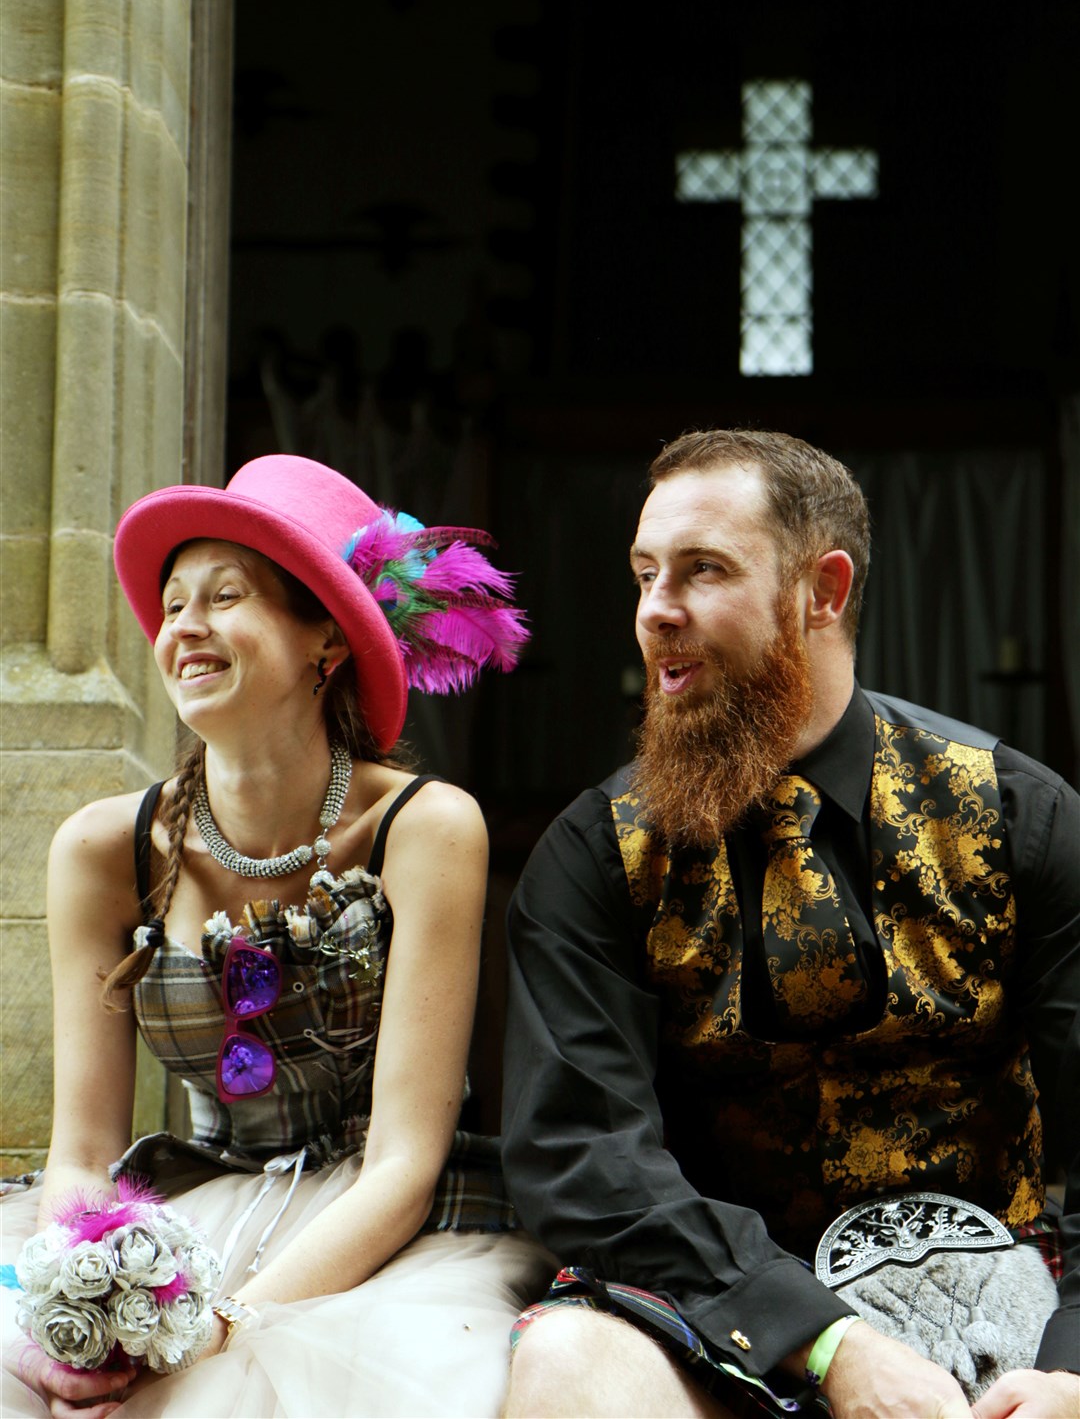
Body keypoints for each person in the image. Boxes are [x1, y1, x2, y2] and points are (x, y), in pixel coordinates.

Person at [501, 429, 1079, 1419]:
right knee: (567, 1364)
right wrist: (820, 1335)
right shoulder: (594, 854)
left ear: (824, 588)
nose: (655, 612)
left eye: (702, 570)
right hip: (724, 1339)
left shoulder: (1022, 816)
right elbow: (584, 1157)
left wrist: (1072, 1369)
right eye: (644, 575)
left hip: (1016, 1324)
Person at [1, 454, 552, 1419]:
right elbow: (82, 1157)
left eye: (226, 595)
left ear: (325, 641)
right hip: (190, 1211)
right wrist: (77, 1305)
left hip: (392, 1238)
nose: (185, 628)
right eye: (173, 605)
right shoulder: (101, 850)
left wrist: (216, 1328)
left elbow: (402, 1166)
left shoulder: (424, 829)